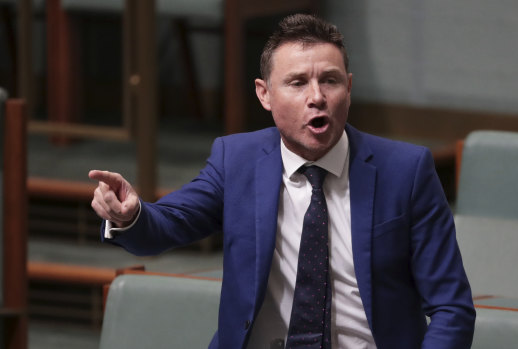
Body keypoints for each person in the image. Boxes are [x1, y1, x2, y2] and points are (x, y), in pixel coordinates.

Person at [89, 13, 475, 349]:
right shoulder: (236, 160)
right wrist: (131, 214)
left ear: (349, 88)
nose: (317, 97)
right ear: (265, 94)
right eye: (297, 83)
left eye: (330, 80)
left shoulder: (406, 171)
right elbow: (168, 224)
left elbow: (451, 307)